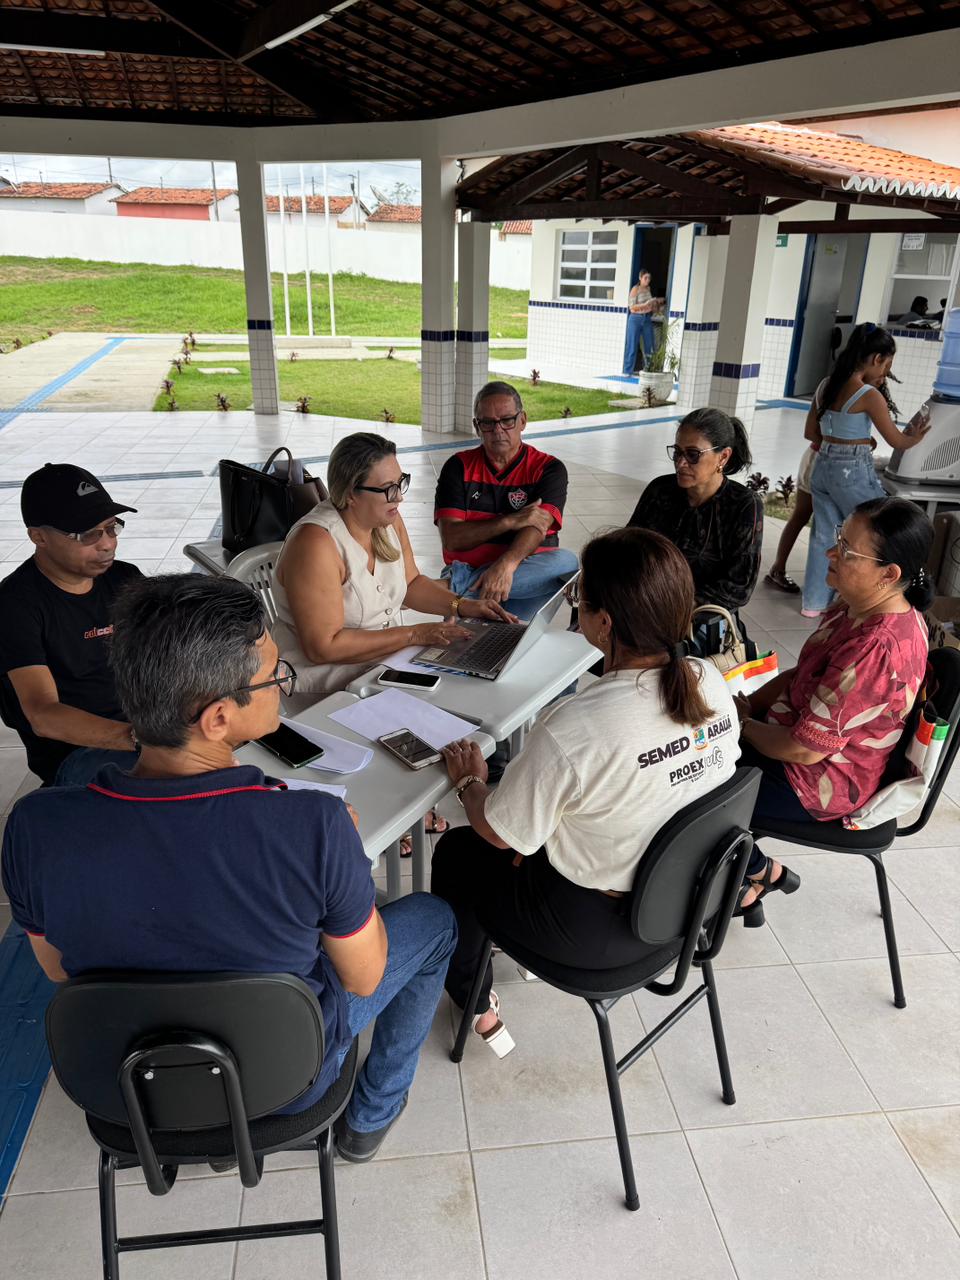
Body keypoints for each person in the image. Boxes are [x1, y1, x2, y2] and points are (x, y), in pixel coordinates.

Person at [1, 574, 458, 1163]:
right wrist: (334, 872)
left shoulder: (36, 828)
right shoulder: (314, 826)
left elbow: (61, 971)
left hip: (131, 1088)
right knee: (435, 922)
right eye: (274, 678)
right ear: (217, 718)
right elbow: (364, 981)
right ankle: (369, 1117)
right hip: (289, 1079)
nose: (283, 688)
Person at [431, 528, 739, 1050]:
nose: (578, 606)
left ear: (604, 622)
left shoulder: (576, 726)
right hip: (689, 908)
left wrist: (469, 783)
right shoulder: (708, 679)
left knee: (460, 852)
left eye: (580, 597)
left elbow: (501, 834)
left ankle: (474, 999)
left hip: (593, 936)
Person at [734, 498, 933, 925]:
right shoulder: (856, 606)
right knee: (692, 762)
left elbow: (805, 750)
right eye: (839, 540)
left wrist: (741, 725)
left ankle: (749, 875)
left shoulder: (876, 650)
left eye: (847, 550)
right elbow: (802, 674)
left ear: (889, 574)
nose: (830, 552)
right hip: (791, 746)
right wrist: (748, 704)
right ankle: (751, 872)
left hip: (819, 781)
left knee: (689, 789)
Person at [273, 431, 515, 704]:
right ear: (352, 493)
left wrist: (463, 606)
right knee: (460, 700)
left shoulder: (386, 520)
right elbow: (323, 647)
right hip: (323, 687)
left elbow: (411, 584)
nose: (398, 497)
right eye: (388, 488)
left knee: (479, 684)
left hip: (382, 667)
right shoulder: (316, 543)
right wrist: (414, 634)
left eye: (400, 483)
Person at [0, 463, 141, 786]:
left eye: (111, 527)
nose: (106, 544)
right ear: (39, 537)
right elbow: (43, 714)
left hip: (145, 728)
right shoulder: (15, 606)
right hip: (78, 752)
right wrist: (141, 739)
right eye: (88, 534)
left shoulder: (125, 579)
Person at [800, 324, 931, 618]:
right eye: (887, 366)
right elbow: (897, 441)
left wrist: (852, 440)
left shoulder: (825, 385)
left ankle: (814, 604)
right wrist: (918, 436)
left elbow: (812, 432)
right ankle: (866, 597)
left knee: (824, 535)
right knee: (875, 531)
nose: (885, 374)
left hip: (822, 469)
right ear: (876, 359)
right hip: (851, 473)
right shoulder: (869, 394)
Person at [434, 382, 579, 621]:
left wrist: (506, 565)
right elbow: (452, 539)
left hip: (525, 574)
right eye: (488, 423)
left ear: (522, 421)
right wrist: (510, 521)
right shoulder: (458, 466)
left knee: (566, 563)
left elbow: (537, 527)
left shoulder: (548, 468)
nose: (498, 430)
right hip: (477, 573)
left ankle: (452, 588)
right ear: (477, 426)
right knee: (489, 642)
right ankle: (469, 595)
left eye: (507, 420)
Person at [628, 407, 763, 634]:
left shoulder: (743, 505)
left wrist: (675, 609)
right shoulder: (660, 490)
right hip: (646, 603)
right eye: (677, 452)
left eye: (693, 455)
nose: (681, 463)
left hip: (699, 618)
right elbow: (628, 547)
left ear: (723, 456)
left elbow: (739, 586)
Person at [622, 269, 664, 376]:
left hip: (647, 319)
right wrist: (646, 304)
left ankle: (648, 370)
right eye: (645, 278)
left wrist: (656, 304)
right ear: (640, 278)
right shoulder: (635, 289)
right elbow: (632, 308)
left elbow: (650, 306)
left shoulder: (648, 289)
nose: (648, 280)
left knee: (649, 345)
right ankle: (627, 371)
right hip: (635, 319)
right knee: (632, 345)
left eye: (649, 278)